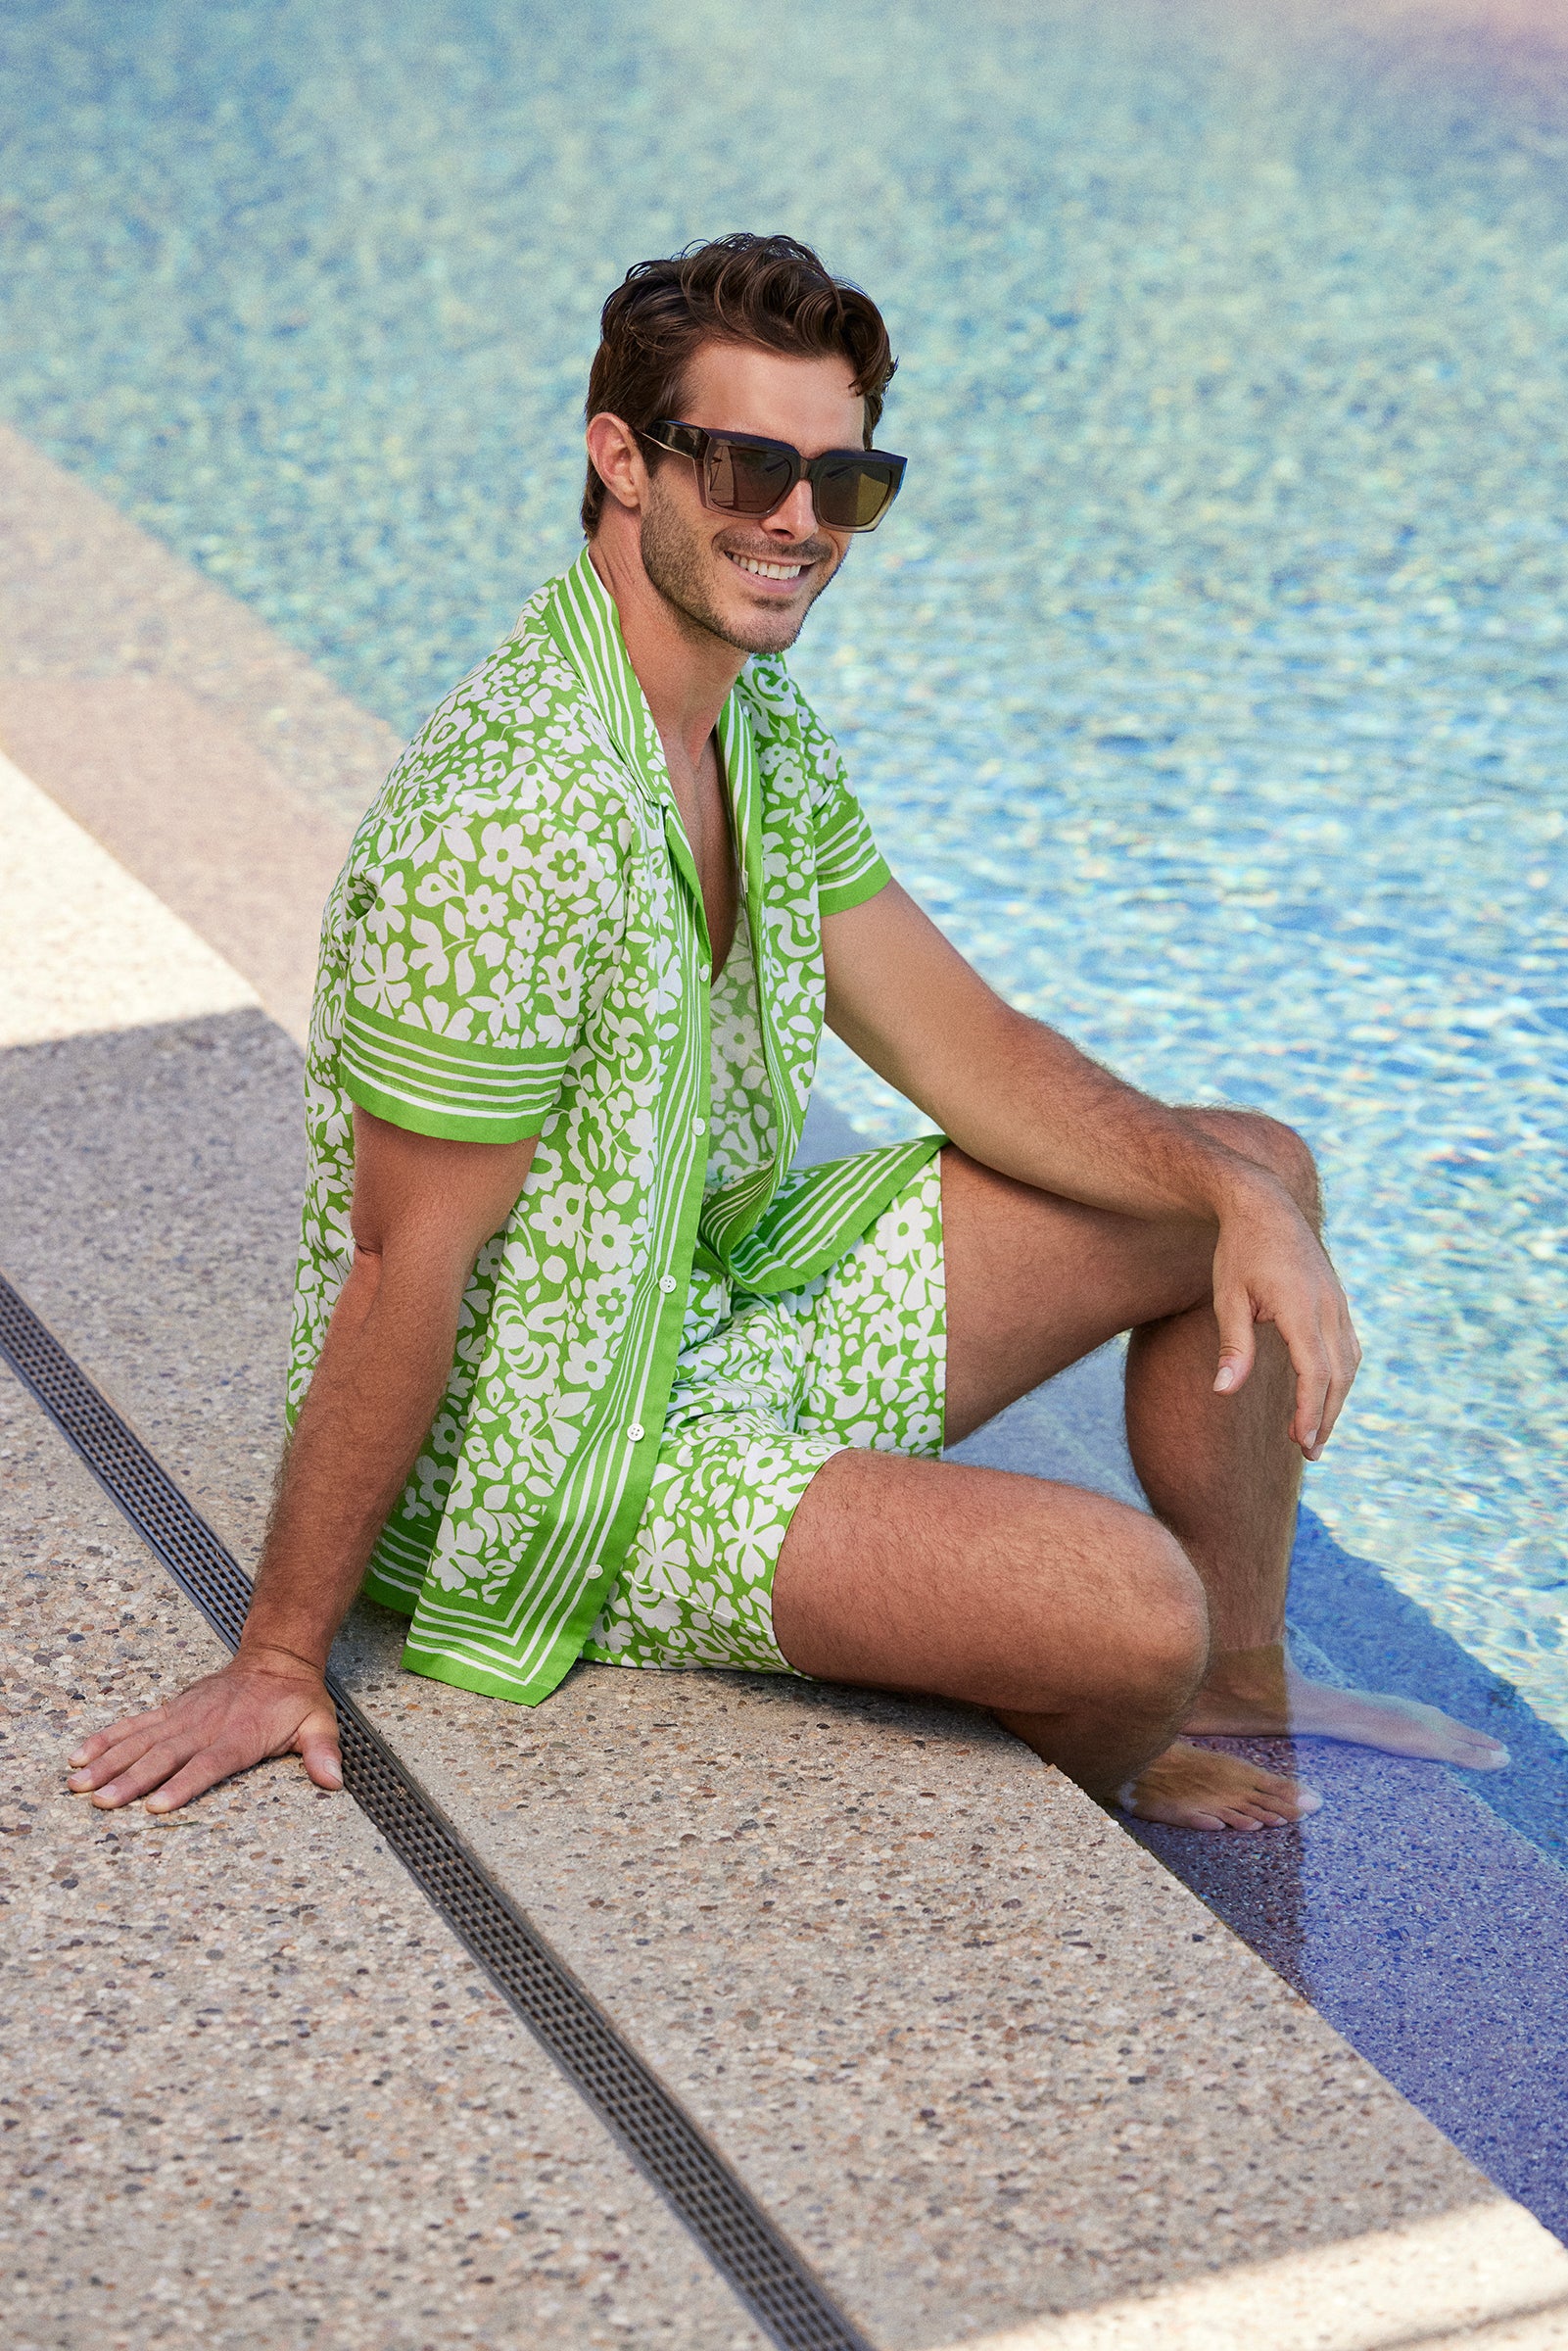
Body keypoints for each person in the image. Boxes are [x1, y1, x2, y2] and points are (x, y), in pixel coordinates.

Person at [69, 232, 1507, 1832]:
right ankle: (1129, 1719)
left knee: (1248, 1165)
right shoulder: (508, 819)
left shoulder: (745, 721)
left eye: (844, 480)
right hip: (565, 1456)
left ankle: (1242, 1669)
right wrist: (277, 1652)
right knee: (1123, 1615)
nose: (797, 520)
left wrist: (1238, 1207)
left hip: (717, 1304)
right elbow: (406, 1266)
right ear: (620, 458)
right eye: (750, 463)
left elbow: (968, 1046)